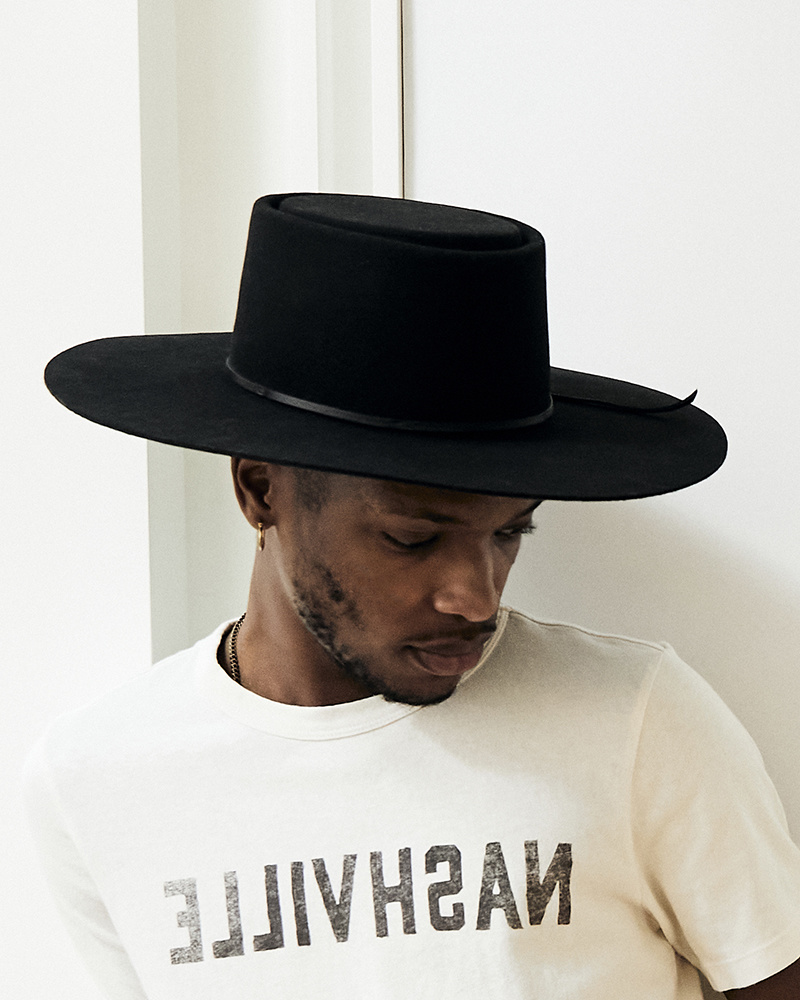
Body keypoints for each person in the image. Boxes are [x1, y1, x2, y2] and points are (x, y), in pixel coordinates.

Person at [26, 193, 800, 999]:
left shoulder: (634, 718)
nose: (475, 597)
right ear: (260, 491)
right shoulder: (95, 781)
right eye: (412, 538)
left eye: (510, 534)